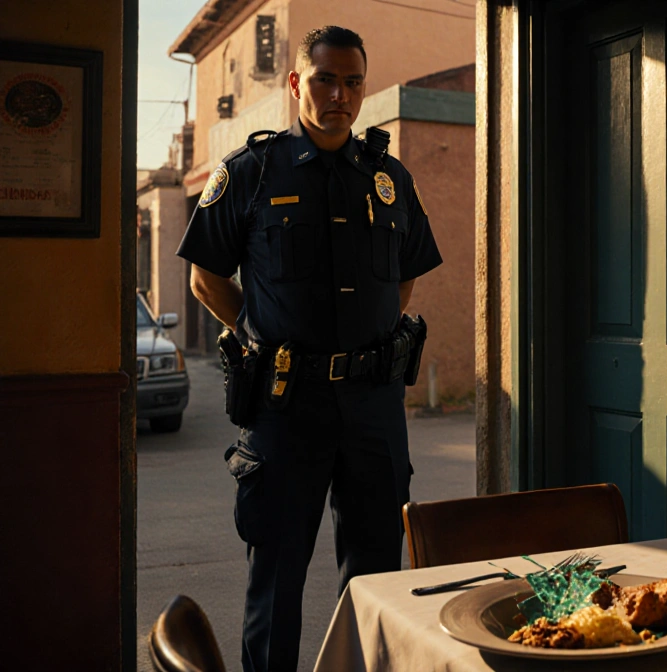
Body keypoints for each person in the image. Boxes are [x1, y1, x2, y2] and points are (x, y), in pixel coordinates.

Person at [176, 25, 441, 671]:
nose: (340, 95)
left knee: (378, 578)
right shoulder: (249, 173)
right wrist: (261, 334)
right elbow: (206, 277)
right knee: (276, 579)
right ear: (297, 83)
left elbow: (406, 273)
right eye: (325, 79)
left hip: (375, 408)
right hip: (285, 405)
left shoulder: (388, 176)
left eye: (353, 82)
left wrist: (359, 349)